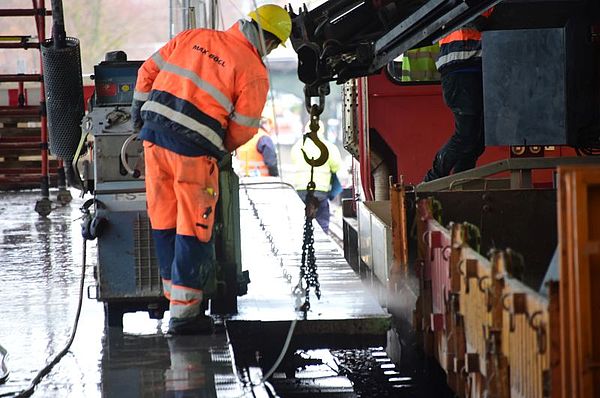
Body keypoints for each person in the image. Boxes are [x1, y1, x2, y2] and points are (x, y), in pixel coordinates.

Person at [131, 5, 292, 335]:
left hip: (153, 140)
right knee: (193, 227)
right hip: (192, 153)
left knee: (163, 219)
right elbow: (243, 129)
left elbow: (147, 71)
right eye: (274, 44)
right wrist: (218, 150)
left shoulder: (194, 36)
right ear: (267, 39)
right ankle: (185, 315)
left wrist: (138, 114)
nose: (271, 50)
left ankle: (173, 299)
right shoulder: (254, 72)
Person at [423, 9, 494, 182]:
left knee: (477, 140)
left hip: (470, 68)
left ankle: (462, 183)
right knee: (467, 135)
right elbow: (477, 20)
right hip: (462, 69)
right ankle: (431, 181)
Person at [291, 121, 342, 233]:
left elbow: (294, 160)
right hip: (320, 192)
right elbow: (336, 168)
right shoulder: (329, 147)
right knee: (321, 221)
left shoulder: (297, 146)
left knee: (302, 220)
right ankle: (323, 236)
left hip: (300, 191)